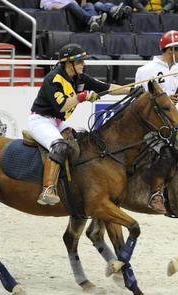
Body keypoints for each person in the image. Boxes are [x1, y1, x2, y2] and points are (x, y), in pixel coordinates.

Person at [28, 44, 129, 206]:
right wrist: (82, 96)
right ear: (69, 64)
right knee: (59, 146)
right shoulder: (53, 78)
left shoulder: (80, 78)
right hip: (40, 120)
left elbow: (108, 88)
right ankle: (48, 189)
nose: (83, 64)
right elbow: (62, 106)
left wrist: (133, 90)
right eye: (80, 61)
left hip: (57, 122)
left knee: (79, 143)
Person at [134, 30, 178, 213]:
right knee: (167, 152)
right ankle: (156, 194)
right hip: (151, 125)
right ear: (170, 50)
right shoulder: (146, 70)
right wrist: (166, 100)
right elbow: (138, 100)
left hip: (172, 123)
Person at [40, 0, 107, 32]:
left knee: (89, 4)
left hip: (73, 7)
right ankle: (92, 20)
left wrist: (80, 9)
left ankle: (93, 22)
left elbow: (76, 5)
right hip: (61, 9)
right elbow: (45, 5)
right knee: (71, 5)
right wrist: (60, 7)